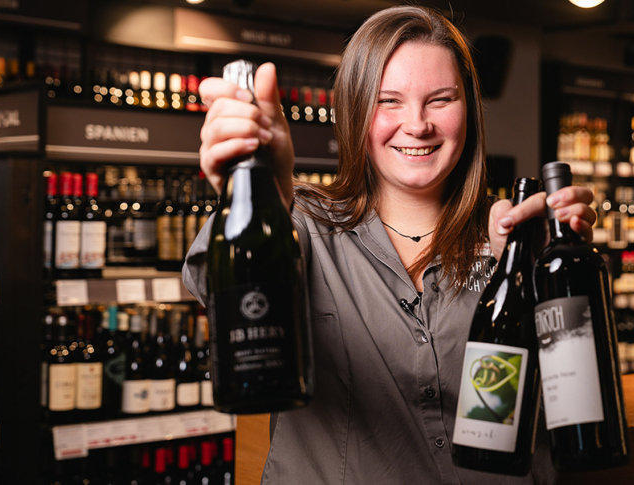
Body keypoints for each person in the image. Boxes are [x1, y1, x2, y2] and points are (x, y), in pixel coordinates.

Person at [185, 5, 596, 484]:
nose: (417, 124)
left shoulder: (513, 234)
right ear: (355, 111)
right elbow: (219, 294)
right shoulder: (300, 224)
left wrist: (551, 279)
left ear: (469, 109)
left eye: (440, 100)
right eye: (389, 101)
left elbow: (573, 402)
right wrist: (257, 201)